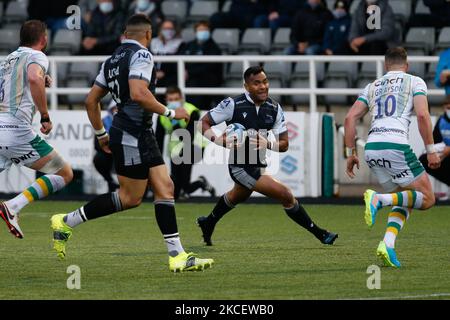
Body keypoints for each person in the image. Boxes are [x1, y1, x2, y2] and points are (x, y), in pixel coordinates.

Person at [50, 14, 214, 273]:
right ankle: (66, 220)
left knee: (165, 186)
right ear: (148, 35)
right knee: (130, 198)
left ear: (125, 34)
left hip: (137, 132)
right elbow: (139, 94)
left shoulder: (111, 61)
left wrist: (101, 134)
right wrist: (171, 113)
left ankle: (177, 255)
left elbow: (90, 101)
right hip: (131, 133)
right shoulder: (143, 56)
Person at [197, 66, 338, 247]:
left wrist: (268, 144)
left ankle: (208, 222)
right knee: (285, 194)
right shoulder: (233, 105)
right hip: (240, 167)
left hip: (258, 164)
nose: (263, 87)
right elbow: (203, 123)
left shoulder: (274, 108)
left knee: (237, 195)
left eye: (265, 82)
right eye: (256, 83)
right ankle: (320, 234)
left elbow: (285, 144)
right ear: (246, 86)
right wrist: (219, 141)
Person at [344, 47, 441, 268]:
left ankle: (387, 244)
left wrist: (350, 154)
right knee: (427, 199)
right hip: (395, 145)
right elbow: (423, 115)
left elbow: (350, 118)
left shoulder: (372, 86)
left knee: (405, 197)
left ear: (386, 66)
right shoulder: (414, 81)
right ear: (406, 66)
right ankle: (379, 200)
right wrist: (431, 149)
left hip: (372, 149)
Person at [0, 20, 73, 239]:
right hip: (16, 129)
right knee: (64, 173)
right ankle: (13, 206)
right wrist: (44, 115)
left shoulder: (8, 60)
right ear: (43, 38)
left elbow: (22, 80)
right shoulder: (38, 56)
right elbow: (33, 77)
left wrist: (42, 79)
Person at [155, 86, 216, 200]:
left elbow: (187, 137)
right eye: (170, 100)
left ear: (182, 99)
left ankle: (200, 183)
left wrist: (174, 121)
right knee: (175, 191)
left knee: (185, 185)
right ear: (166, 101)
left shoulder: (192, 111)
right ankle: (188, 187)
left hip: (194, 148)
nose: (173, 103)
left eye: (176, 99)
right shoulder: (162, 115)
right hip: (176, 150)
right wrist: (158, 161)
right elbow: (158, 139)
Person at [181, 20, 223, 110]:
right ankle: (187, 123)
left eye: (205, 29)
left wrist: (189, 72)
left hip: (206, 82)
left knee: (198, 109)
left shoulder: (214, 48)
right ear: (196, 32)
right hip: (189, 81)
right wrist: (183, 71)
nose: (202, 32)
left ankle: (198, 124)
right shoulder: (189, 45)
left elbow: (209, 66)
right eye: (200, 30)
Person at [419, 97, 450, 186]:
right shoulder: (441, 121)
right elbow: (434, 141)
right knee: (424, 159)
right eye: (448, 108)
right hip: (445, 155)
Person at [93, 101, 119, 193]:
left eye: (118, 108)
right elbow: (96, 144)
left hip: (124, 152)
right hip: (108, 152)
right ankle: (111, 182)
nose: (117, 111)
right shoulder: (103, 122)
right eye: (115, 108)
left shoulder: (127, 123)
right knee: (98, 159)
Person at [150, 19, 184, 89]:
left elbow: (175, 64)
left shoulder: (180, 43)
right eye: (165, 28)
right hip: (153, 75)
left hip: (170, 77)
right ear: (160, 30)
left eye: (170, 28)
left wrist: (164, 73)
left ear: (175, 29)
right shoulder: (154, 42)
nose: (168, 31)